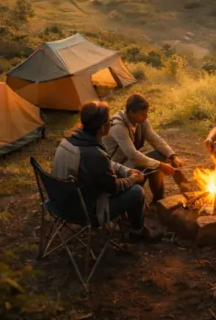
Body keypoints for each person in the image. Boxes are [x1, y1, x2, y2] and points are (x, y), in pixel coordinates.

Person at [52, 101, 156, 239]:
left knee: (124, 180)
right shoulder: (94, 154)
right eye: (109, 121)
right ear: (102, 127)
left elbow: (105, 163)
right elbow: (114, 188)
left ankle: (127, 219)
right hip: (86, 212)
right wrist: (132, 180)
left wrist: (126, 171)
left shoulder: (68, 142)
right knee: (137, 192)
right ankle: (137, 231)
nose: (111, 123)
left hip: (58, 202)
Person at [102, 93, 184, 204]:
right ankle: (136, 199)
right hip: (117, 168)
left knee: (162, 155)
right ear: (131, 112)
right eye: (142, 114)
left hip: (129, 161)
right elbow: (133, 155)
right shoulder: (118, 127)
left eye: (146, 113)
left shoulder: (141, 121)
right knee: (154, 163)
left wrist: (173, 156)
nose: (145, 117)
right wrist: (160, 165)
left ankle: (160, 199)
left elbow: (155, 140)